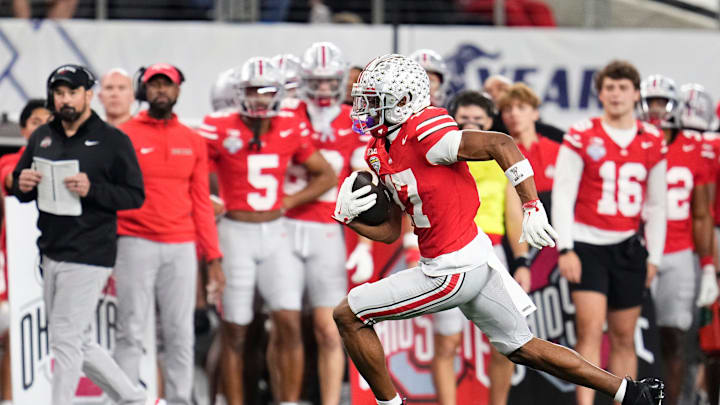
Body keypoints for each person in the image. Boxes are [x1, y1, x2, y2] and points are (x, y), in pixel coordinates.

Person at [333, 54, 664, 405]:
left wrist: (532, 205)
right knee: (524, 348)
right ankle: (630, 392)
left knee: (349, 314)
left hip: (451, 269)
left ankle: (389, 404)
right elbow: (389, 232)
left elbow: (500, 144)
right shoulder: (377, 151)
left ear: (402, 102)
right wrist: (350, 217)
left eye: (374, 100)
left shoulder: (425, 133)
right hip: (472, 258)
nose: (364, 109)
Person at [11, 64, 159, 405]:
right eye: (59, 93)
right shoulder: (42, 135)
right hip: (51, 249)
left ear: (88, 94)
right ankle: (135, 398)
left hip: (91, 251)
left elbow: (134, 195)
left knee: (64, 340)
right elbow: (20, 180)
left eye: (72, 92)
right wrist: (23, 185)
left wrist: (93, 189)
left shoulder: (113, 140)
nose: (65, 100)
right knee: (77, 341)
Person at [198, 57, 335, 405]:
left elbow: (325, 174)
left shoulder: (291, 125)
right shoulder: (218, 125)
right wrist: (209, 198)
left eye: (265, 91)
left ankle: (288, 402)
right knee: (235, 332)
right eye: (251, 91)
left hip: (277, 234)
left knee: (289, 323)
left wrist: (288, 202)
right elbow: (194, 168)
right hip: (234, 233)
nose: (258, 99)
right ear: (238, 93)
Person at [551, 60, 667, 405]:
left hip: (629, 247)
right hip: (588, 244)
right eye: (610, 88)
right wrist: (566, 247)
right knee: (588, 331)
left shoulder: (652, 139)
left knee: (624, 336)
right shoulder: (582, 133)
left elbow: (657, 205)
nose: (616, 94)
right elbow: (564, 192)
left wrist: (655, 256)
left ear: (636, 94)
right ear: (600, 93)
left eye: (623, 88)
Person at [113, 63, 224, 405]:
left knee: (181, 332)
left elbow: (202, 203)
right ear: (144, 90)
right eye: (154, 84)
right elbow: (108, 193)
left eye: (167, 84)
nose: (161, 90)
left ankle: (179, 399)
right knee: (130, 330)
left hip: (181, 246)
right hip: (133, 242)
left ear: (178, 90)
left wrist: (214, 258)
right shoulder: (123, 135)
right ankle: (127, 399)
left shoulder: (193, 140)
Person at [276, 42, 370, 405]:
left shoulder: (353, 119)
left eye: (332, 81)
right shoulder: (285, 112)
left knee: (328, 329)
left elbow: (366, 186)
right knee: (283, 326)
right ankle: (288, 398)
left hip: (327, 228)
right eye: (317, 81)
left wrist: (364, 244)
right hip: (282, 226)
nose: (325, 89)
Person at [429, 90, 528, 405]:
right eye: (465, 118)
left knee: (511, 341)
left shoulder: (502, 151)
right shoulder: (438, 151)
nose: (470, 124)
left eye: (478, 119)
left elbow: (513, 214)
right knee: (447, 342)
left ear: (490, 121)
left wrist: (523, 261)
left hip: (491, 253)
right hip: (447, 249)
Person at [637, 75, 717, 405]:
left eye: (662, 101)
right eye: (650, 101)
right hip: (637, 252)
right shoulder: (632, 141)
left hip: (680, 252)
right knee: (631, 336)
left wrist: (708, 267)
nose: (656, 109)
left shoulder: (696, 148)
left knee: (674, 337)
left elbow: (702, 214)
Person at [0, 99, 51, 405]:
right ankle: (8, 400)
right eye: (35, 122)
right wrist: (21, 180)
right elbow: (9, 180)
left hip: (60, 263)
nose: (42, 127)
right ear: (22, 130)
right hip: (17, 269)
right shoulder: (12, 161)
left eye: (48, 121)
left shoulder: (75, 160)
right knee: (18, 334)